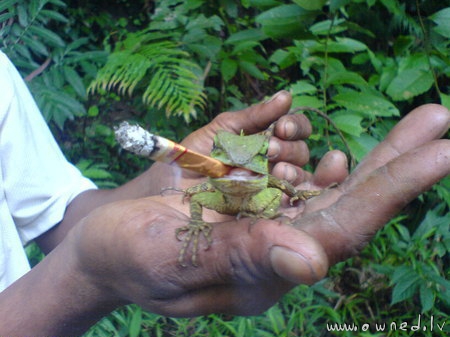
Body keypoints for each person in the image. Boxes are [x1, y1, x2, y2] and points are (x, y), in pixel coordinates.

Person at [0, 49, 448, 336]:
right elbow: (199, 201)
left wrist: (160, 185)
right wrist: (83, 274)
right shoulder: (217, 193)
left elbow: (55, 212)